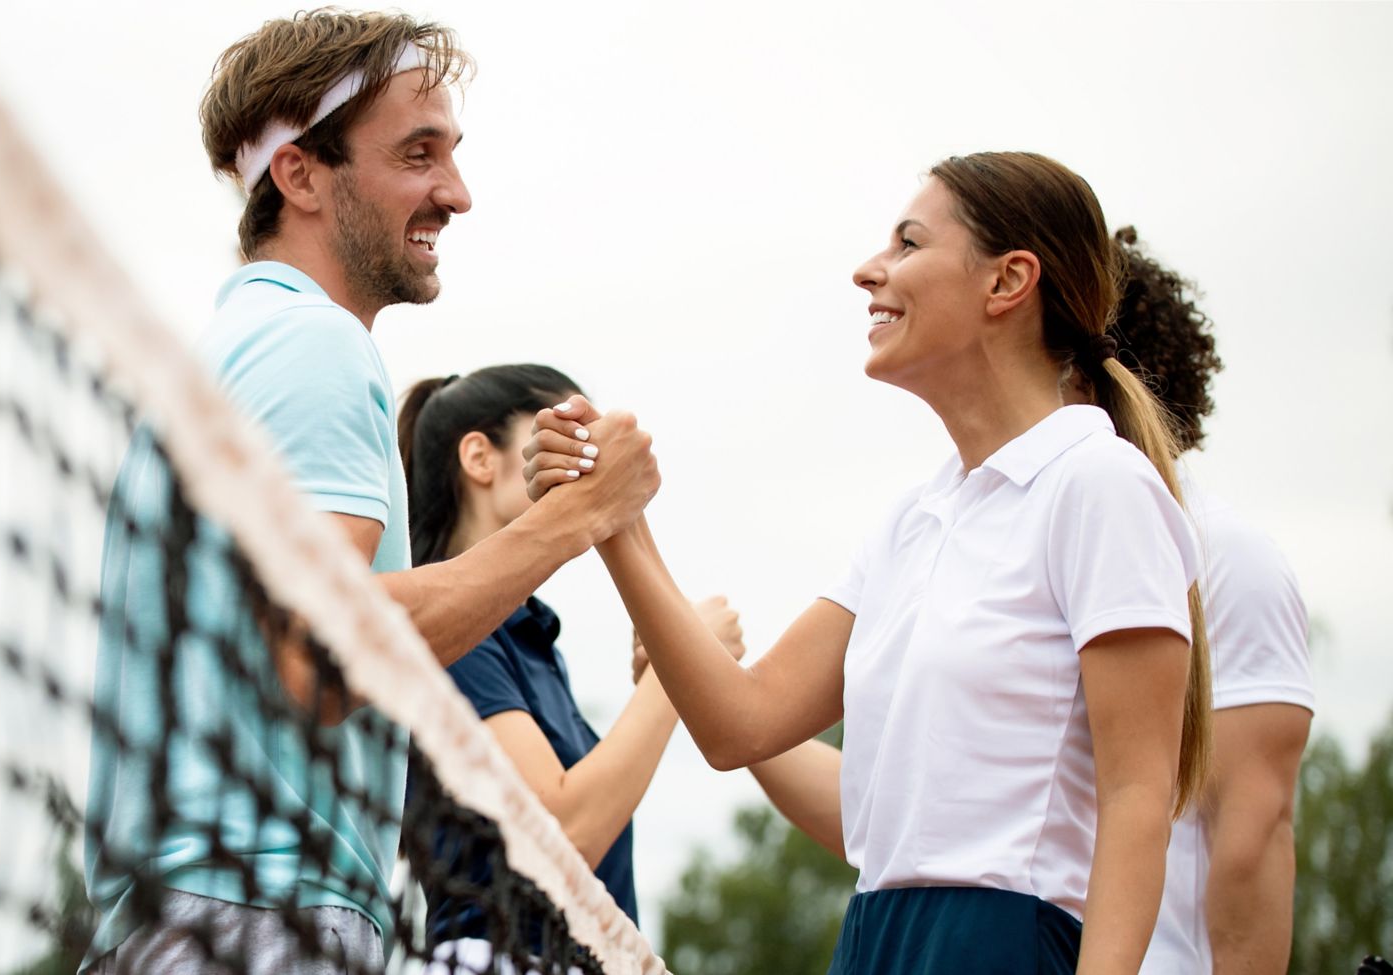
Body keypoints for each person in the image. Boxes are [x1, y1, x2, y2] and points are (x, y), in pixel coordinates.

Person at [526, 153, 1211, 974]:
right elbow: (737, 723)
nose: (868, 270)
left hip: (1003, 944)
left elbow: (1138, 799)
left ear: (1008, 281)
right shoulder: (911, 520)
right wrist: (613, 520)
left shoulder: (1099, 486)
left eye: (909, 242)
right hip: (874, 938)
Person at [82, 12, 659, 974]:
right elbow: (321, 651)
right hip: (256, 915)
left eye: (452, 154)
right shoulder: (315, 345)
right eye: (417, 154)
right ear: (299, 174)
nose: (457, 194)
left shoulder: (238, 352)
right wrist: (580, 518)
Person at [730, 227, 1316, 974]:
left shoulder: (1224, 551)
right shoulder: (947, 521)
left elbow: (1252, 836)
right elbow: (886, 819)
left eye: (912, 245)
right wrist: (710, 685)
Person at [394, 365, 741, 974]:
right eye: (563, 433)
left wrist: (677, 667)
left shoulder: (528, 637)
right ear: (479, 456)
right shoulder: (459, 636)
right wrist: (670, 677)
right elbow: (566, 833)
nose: (596, 457)